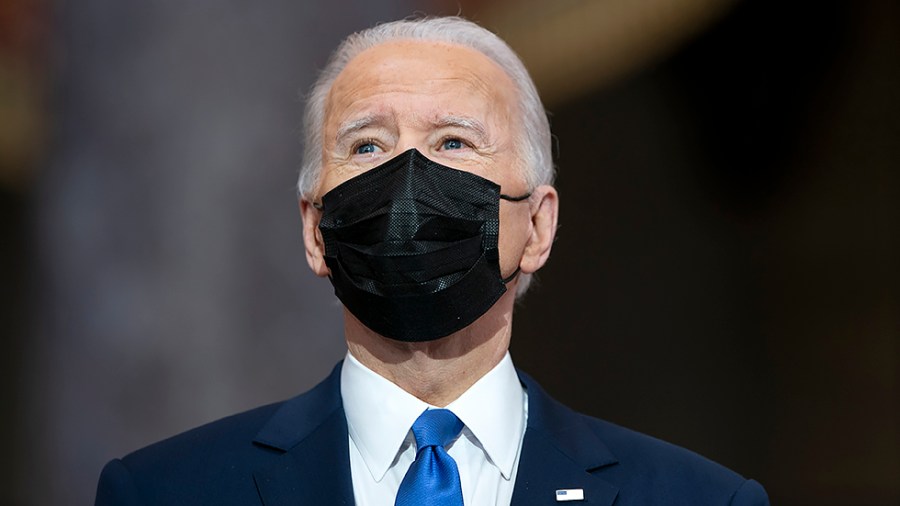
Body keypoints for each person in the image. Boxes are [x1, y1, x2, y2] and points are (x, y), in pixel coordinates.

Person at [95, 16, 769, 506]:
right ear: (314, 229)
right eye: (366, 148)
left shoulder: (696, 499)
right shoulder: (164, 491)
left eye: (453, 142)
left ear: (536, 225)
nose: (408, 179)